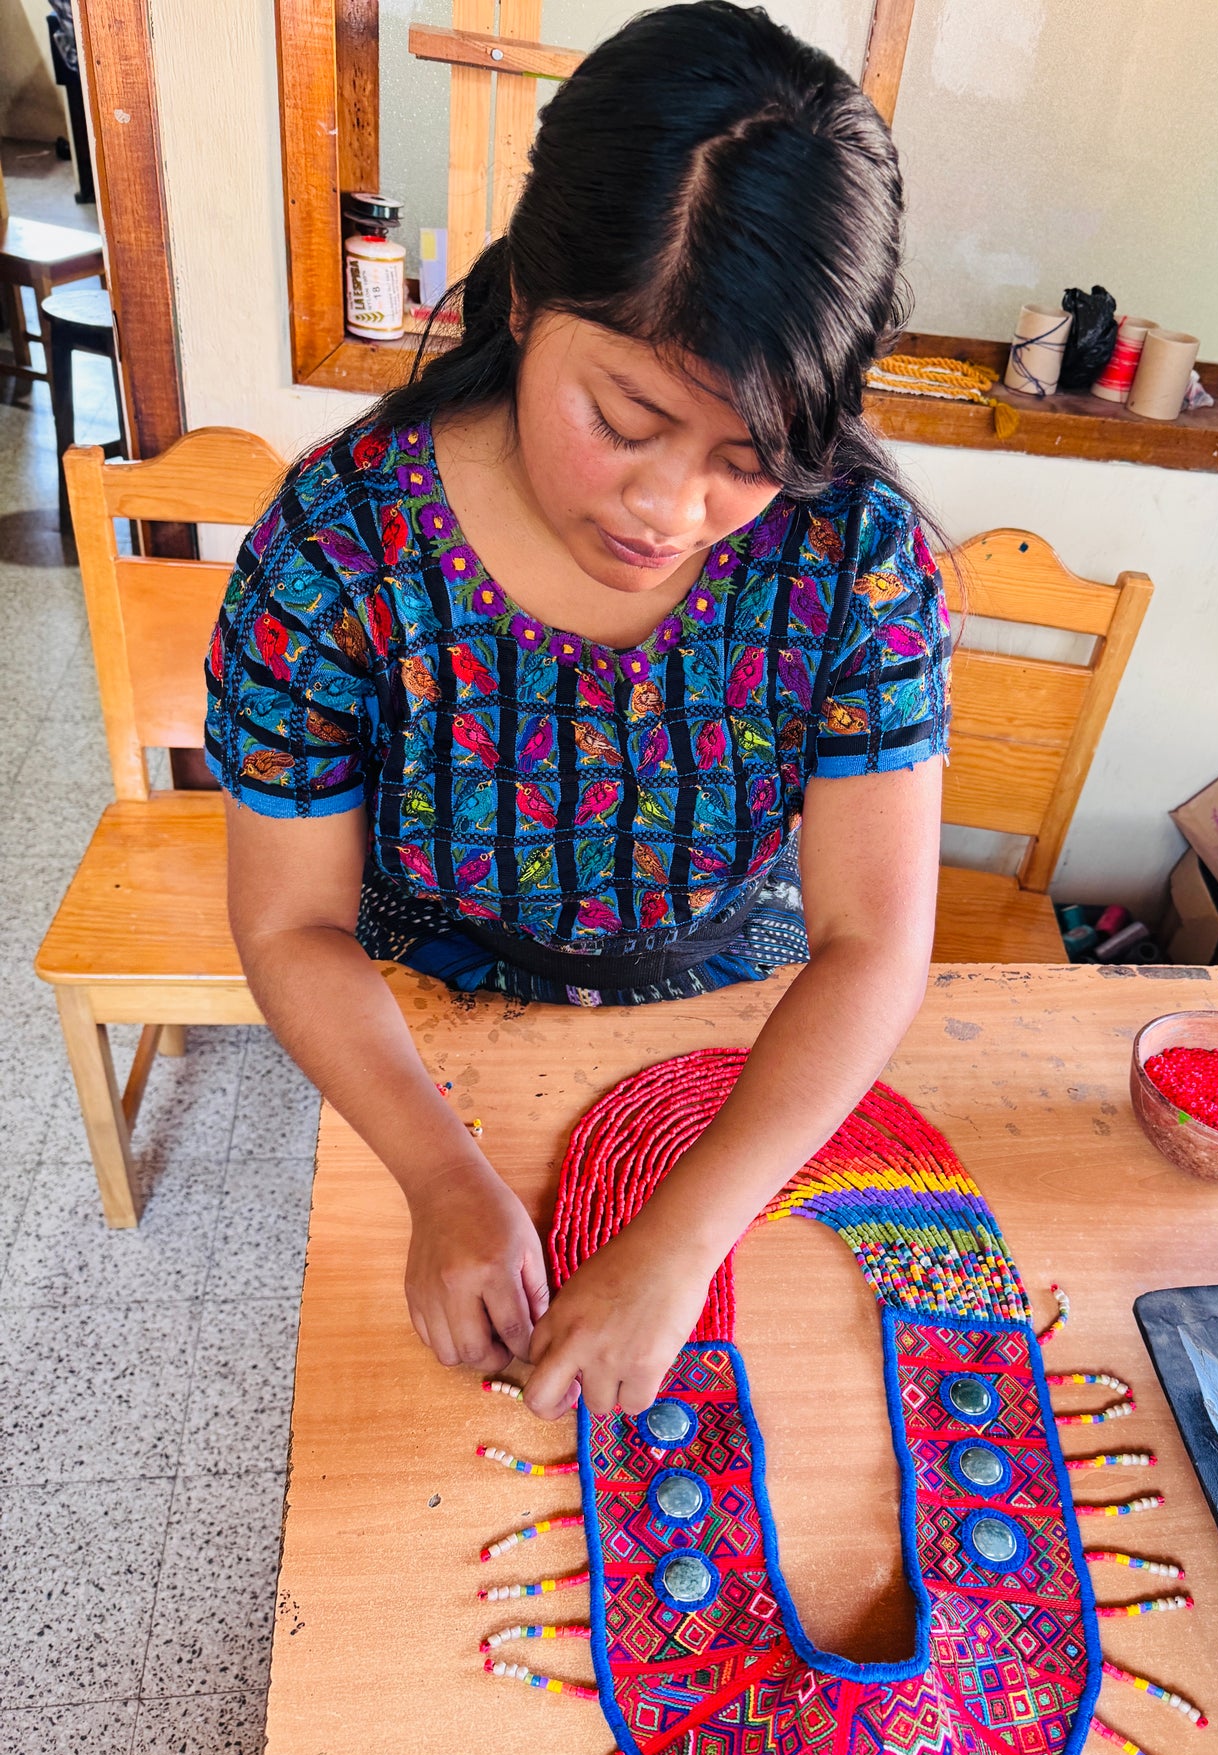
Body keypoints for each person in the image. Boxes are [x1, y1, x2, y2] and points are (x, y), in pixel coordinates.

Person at [205, 1, 951, 1424]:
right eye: (620, 421)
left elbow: (872, 941)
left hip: (741, 1037)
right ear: (522, 302)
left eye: (749, 459)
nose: (669, 510)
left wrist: (683, 1237)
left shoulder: (851, 552)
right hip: (427, 1027)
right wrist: (440, 1175)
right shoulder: (342, 544)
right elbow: (291, 921)